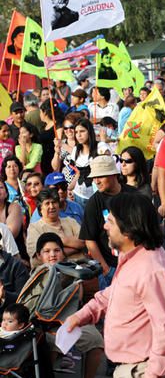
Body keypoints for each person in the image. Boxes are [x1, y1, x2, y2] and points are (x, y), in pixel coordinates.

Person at [66, 193, 165, 378]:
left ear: (129, 229)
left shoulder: (152, 270)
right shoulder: (133, 259)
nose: (105, 227)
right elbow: (115, 293)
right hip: (134, 370)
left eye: (110, 221)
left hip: (142, 372)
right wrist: (82, 315)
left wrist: (154, 375)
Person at [35, 232, 103, 378]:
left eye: (57, 250)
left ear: (63, 253)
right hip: (47, 325)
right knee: (47, 343)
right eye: (47, 251)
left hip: (73, 320)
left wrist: (73, 280)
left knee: (96, 340)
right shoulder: (37, 275)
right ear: (38, 255)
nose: (52, 255)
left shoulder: (73, 271)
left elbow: (77, 301)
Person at [79, 156, 135, 289]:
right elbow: (89, 240)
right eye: (94, 177)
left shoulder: (133, 195)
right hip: (112, 268)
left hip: (135, 264)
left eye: (100, 176)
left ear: (114, 174)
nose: (96, 181)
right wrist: (105, 270)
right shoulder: (94, 203)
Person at [26, 188, 85, 265]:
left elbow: (83, 242)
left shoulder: (70, 221)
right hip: (51, 273)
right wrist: (75, 248)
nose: (51, 206)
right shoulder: (34, 228)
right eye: (47, 203)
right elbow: (40, 256)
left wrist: (61, 240)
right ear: (40, 209)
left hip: (81, 268)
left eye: (54, 202)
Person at [68, 118, 98, 207]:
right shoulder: (76, 150)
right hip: (78, 195)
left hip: (95, 196)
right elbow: (78, 173)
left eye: (82, 131)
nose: (79, 135)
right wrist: (70, 188)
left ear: (89, 131)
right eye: (76, 132)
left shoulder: (100, 147)